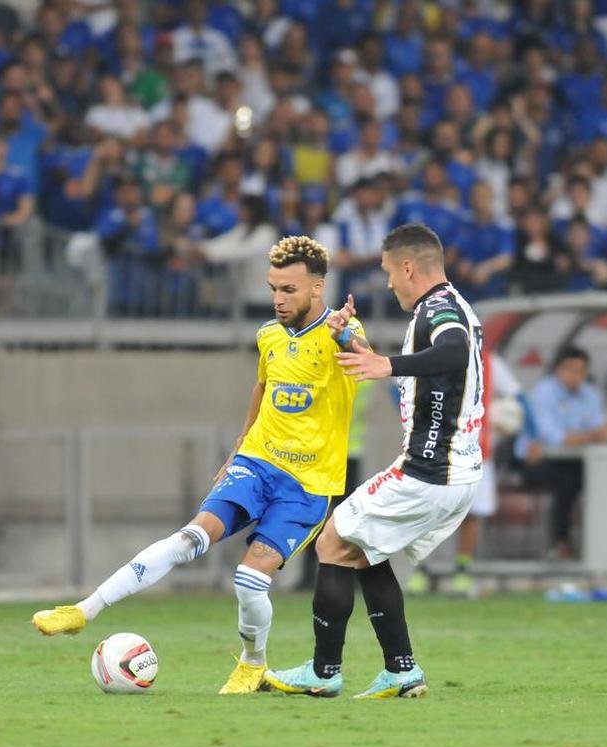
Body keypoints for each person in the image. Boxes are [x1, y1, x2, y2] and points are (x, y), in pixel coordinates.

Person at [32, 236, 365, 696]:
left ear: (317, 288)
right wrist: (239, 445)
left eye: (289, 289)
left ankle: (252, 662)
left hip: (307, 486)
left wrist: (346, 332)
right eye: (273, 288)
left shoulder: (341, 334)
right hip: (257, 463)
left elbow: (363, 354)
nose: (278, 299)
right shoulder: (269, 335)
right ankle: (83, 611)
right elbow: (263, 386)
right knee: (189, 538)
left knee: (249, 581)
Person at [265, 223, 484, 699]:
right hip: (456, 472)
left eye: (389, 272)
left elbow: (453, 351)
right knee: (363, 552)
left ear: (409, 267)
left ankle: (323, 674)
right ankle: (402, 670)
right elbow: (425, 376)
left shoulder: (439, 309)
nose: (388, 283)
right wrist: (354, 345)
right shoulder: (450, 306)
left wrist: (387, 364)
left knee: (332, 540)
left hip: (430, 468)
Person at [407, 351, 527, 597]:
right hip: (434, 449)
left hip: (477, 450)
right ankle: (423, 569)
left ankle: (462, 570)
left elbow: (517, 397)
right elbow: (399, 389)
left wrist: (512, 422)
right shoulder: (429, 353)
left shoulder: (490, 362)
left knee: (473, 513)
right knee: (428, 509)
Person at [515, 347, 607, 560]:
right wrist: (589, 436)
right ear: (558, 370)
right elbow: (553, 437)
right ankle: (560, 543)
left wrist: (589, 436)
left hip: (574, 462)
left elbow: (604, 432)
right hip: (534, 463)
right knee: (567, 482)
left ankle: (603, 546)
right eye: (571, 370)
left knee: (598, 479)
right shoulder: (544, 392)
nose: (575, 376)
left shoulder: (589, 394)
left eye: (580, 371)